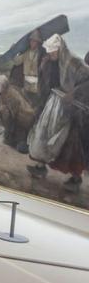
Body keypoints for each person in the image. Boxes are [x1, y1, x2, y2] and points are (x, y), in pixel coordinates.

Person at [26, 34, 89, 189]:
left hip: (74, 109)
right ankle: (41, 167)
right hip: (56, 104)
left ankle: (76, 179)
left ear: (60, 50)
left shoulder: (74, 63)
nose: (50, 55)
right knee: (44, 133)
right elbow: (50, 84)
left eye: (52, 52)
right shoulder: (53, 62)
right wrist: (44, 67)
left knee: (69, 143)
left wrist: (73, 93)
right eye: (48, 52)